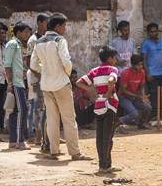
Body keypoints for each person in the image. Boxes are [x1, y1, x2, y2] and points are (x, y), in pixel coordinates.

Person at [30, 13, 91, 161]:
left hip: (46, 84)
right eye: (64, 26)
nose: (65, 29)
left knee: (52, 119)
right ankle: (75, 153)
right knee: (69, 119)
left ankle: (53, 151)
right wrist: (66, 72)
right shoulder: (60, 40)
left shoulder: (38, 42)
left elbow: (32, 65)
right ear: (57, 26)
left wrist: (45, 69)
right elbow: (66, 61)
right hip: (61, 83)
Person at [77, 46, 121, 174]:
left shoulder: (94, 71)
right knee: (108, 136)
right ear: (110, 58)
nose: (115, 60)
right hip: (109, 105)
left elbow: (80, 82)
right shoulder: (112, 69)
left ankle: (105, 164)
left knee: (100, 135)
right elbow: (112, 79)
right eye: (114, 57)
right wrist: (109, 91)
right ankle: (104, 165)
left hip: (98, 105)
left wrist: (92, 90)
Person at [4, 21, 32, 150]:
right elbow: (8, 65)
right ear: (18, 32)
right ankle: (20, 140)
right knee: (23, 110)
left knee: (15, 112)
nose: (28, 34)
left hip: (19, 82)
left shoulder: (19, 45)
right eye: (26, 32)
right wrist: (9, 83)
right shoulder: (13, 44)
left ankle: (13, 140)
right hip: (16, 83)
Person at [27, 13, 49, 148]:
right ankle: (37, 137)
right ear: (40, 23)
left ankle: (46, 136)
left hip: (44, 77)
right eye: (46, 22)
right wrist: (39, 75)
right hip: (37, 78)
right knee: (37, 108)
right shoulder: (33, 40)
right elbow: (29, 62)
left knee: (45, 107)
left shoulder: (45, 38)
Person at [141, 22, 162, 116]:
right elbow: (144, 60)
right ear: (148, 33)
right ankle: (154, 116)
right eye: (151, 32)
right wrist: (147, 73)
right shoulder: (146, 44)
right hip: (152, 74)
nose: (154, 33)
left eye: (155, 31)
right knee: (154, 96)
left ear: (158, 31)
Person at [118, 55, 152, 130]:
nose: (141, 66)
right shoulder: (125, 73)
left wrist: (143, 95)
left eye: (142, 64)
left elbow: (142, 86)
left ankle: (141, 124)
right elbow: (124, 90)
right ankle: (117, 124)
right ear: (133, 65)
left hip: (135, 96)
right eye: (138, 65)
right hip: (124, 97)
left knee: (148, 107)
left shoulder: (142, 72)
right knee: (134, 113)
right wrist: (138, 96)